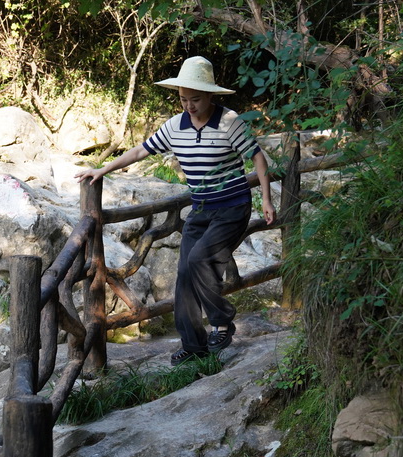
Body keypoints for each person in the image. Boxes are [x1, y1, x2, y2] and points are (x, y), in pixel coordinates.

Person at [75, 56, 276, 366]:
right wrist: (104, 169)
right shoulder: (175, 126)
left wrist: (265, 200)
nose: (189, 105)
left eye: (195, 99)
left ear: (210, 95)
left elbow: (258, 159)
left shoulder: (229, 121)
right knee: (184, 274)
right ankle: (193, 344)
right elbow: (142, 149)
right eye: (183, 99)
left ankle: (222, 323)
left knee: (199, 260)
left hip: (232, 207)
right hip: (201, 208)